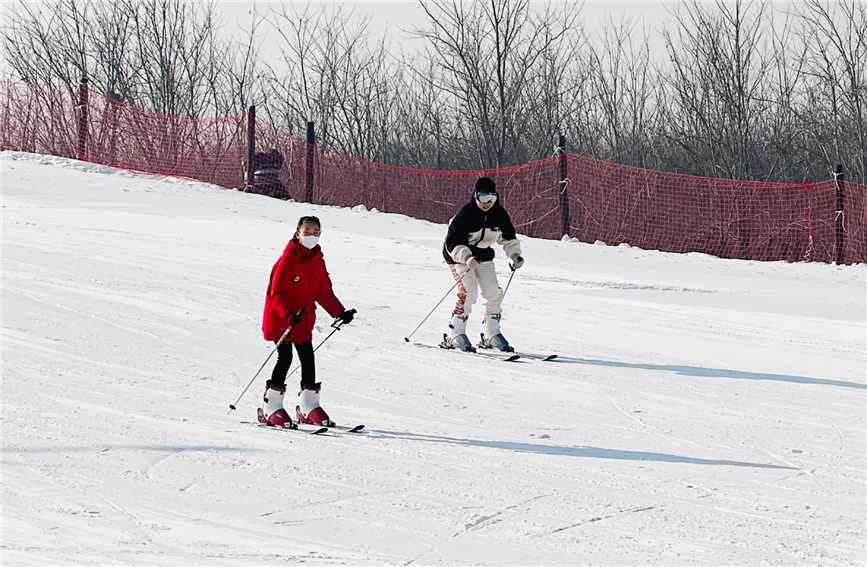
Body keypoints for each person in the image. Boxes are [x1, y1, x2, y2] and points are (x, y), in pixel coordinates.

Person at [259, 215, 355, 428]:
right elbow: (277, 292)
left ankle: (308, 408)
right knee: (285, 359)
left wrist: (339, 313)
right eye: (307, 231)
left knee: (308, 360)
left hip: (303, 320)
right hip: (282, 319)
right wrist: (288, 315)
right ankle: (271, 408)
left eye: (315, 232)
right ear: (298, 233)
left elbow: (323, 291)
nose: (311, 235)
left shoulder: (317, 259)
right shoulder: (288, 259)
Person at [442, 177, 524, 352]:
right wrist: (467, 257)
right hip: (459, 256)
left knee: (493, 291)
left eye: (492, 198)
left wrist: (515, 255)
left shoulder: (499, 214)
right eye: (484, 198)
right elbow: (452, 242)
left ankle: (491, 333)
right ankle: (454, 333)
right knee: (468, 291)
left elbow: (508, 238)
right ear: (476, 196)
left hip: (483, 255)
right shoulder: (466, 214)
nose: (488, 203)